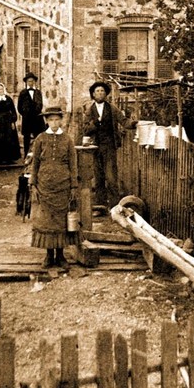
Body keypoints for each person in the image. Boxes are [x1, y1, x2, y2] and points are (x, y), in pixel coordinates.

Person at [29, 106, 78, 269]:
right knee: (46, 220)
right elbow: (35, 162)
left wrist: (73, 186)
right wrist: (33, 184)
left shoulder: (67, 139)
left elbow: (73, 163)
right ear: (46, 121)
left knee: (61, 221)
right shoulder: (40, 139)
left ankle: (61, 256)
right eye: (51, 119)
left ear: (61, 121)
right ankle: (49, 256)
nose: (54, 122)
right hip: (45, 185)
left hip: (63, 185)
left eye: (57, 119)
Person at [82, 80, 137, 210]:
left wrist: (134, 124)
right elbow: (85, 129)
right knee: (99, 177)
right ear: (93, 94)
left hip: (109, 146)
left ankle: (115, 208)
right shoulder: (89, 111)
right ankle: (100, 207)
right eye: (97, 91)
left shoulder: (112, 109)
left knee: (111, 177)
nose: (100, 93)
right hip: (95, 147)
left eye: (102, 91)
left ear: (106, 94)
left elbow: (124, 121)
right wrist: (95, 123)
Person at [16, 72, 46, 158]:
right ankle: (26, 155)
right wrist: (25, 114)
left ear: (34, 82)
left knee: (38, 137)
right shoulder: (23, 93)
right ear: (26, 82)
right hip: (27, 119)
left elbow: (40, 104)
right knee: (26, 137)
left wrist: (37, 111)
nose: (31, 83)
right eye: (29, 81)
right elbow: (19, 107)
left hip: (37, 118)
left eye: (32, 81)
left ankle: (37, 154)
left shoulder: (38, 92)